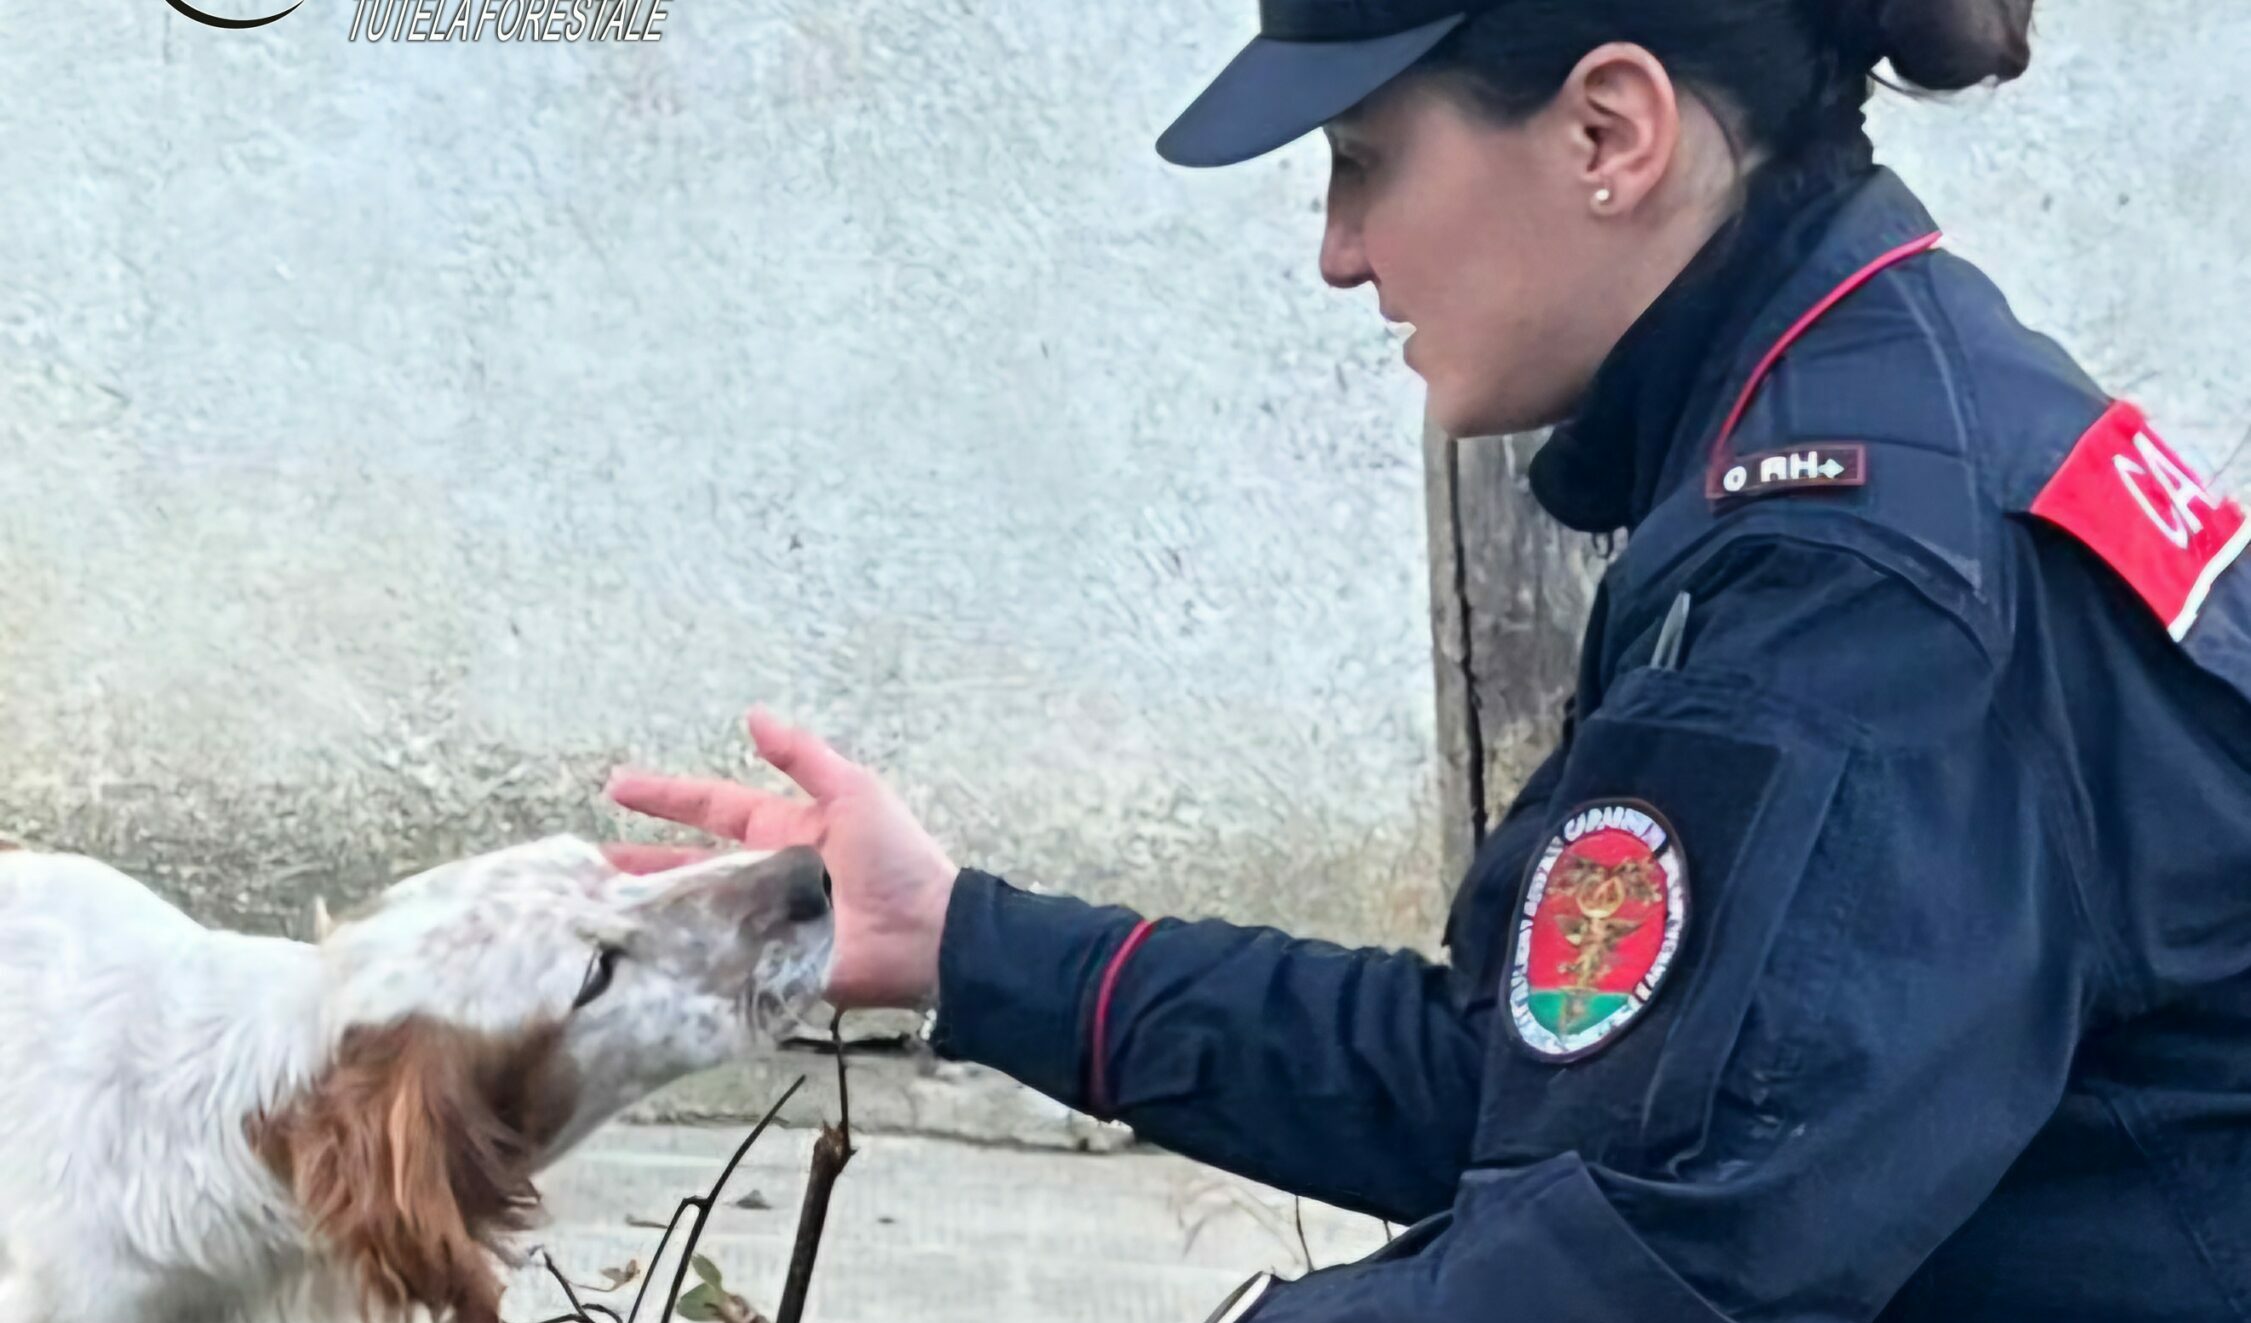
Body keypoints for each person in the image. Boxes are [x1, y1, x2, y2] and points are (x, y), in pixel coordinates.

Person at [600, 0, 2251, 1318]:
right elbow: (1518, 1085)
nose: (1338, 247)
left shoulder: (1851, 582)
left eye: (1363, 158)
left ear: (1611, 131)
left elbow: (1647, 1265)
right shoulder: (1846, 428)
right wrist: (967, 945)